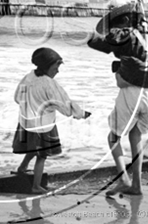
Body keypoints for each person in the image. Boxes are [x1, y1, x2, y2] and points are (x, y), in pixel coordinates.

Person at [87, 0, 148, 196]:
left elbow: (99, 43)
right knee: (136, 136)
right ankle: (137, 186)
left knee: (113, 137)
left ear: (126, 20)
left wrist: (86, 36)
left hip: (131, 93)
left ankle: (124, 178)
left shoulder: (125, 35)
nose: (114, 28)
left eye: (117, 23)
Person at [12, 47, 91, 194]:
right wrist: (79, 113)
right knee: (42, 155)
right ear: (47, 66)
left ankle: (22, 168)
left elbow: (17, 98)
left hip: (27, 123)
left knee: (33, 147)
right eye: (56, 67)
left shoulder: (28, 77)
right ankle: (36, 186)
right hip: (43, 125)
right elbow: (64, 105)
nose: (58, 71)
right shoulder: (49, 83)